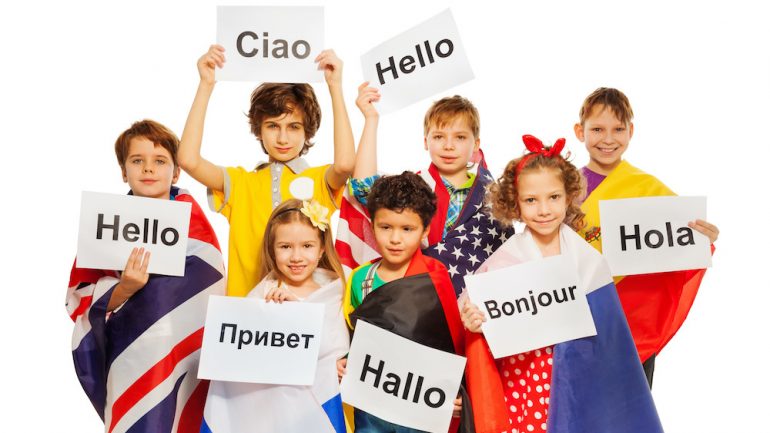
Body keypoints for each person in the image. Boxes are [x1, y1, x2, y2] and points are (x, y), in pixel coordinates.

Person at [460, 135, 663, 433]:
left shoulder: (588, 259)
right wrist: (473, 319)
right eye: (531, 200)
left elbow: (610, 325)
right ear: (515, 203)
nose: (543, 210)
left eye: (553, 197)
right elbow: (474, 309)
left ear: (569, 197)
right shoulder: (504, 260)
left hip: (581, 377)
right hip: (526, 380)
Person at [66, 120, 225, 433]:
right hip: (130, 356)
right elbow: (79, 295)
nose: (148, 169)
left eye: (160, 161)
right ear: (124, 171)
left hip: (186, 356)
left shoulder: (195, 226)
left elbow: (213, 288)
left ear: (176, 172)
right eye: (137, 161)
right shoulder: (106, 224)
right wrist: (124, 288)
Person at [178, 44, 355, 296]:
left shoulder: (318, 179)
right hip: (246, 316)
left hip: (303, 313)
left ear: (308, 132)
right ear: (259, 128)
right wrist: (206, 84)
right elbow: (188, 160)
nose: (283, 138)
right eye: (273, 126)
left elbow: (346, 165)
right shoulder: (240, 182)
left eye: (294, 127)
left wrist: (335, 87)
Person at [573, 87, 719, 386]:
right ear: (580, 131)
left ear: (631, 132)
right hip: (579, 316)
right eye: (597, 129)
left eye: (618, 129)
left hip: (631, 321)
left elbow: (681, 242)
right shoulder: (564, 187)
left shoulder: (648, 188)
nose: (608, 139)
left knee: (631, 406)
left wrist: (706, 236)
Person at [336, 84, 512, 295]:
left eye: (460, 137)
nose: (448, 145)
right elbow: (364, 187)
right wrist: (371, 120)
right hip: (418, 295)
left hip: (473, 305)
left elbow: (506, 254)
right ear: (425, 142)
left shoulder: (494, 196)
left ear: (476, 144)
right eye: (439, 137)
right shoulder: (415, 186)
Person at [201, 199, 349, 433]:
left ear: (322, 248)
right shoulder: (262, 295)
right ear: (272, 249)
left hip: (317, 409)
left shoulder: (336, 292)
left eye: (307, 246)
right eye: (285, 246)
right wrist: (282, 314)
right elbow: (236, 359)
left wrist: (342, 366)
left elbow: (337, 349)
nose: (296, 257)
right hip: (269, 415)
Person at [340, 172, 468, 432]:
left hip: (421, 409)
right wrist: (344, 360)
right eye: (385, 227)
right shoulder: (360, 278)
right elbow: (351, 335)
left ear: (425, 230)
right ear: (372, 224)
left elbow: (453, 343)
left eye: (407, 229)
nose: (395, 239)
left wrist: (456, 391)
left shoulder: (435, 276)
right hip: (373, 409)